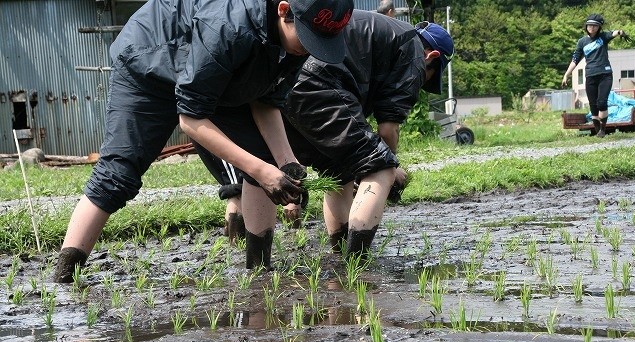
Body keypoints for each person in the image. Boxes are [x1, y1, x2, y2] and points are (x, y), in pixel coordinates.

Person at [52, 0, 354, 282]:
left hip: (212, 74)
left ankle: (260, 270)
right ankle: (65, 276)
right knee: (118, 175)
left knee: (266, 160)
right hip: (148, 64)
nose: (308, 49)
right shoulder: (229, 26)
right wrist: (262, 172)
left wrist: (286, 162)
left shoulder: (292, 45)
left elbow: (266, 99)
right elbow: (191, 120)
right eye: (307, 38)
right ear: (284, 10)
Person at [283, 11, 454, 257]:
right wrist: (390, 166)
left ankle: (341, 256)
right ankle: (357, 263)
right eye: (429, 74)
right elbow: (388, 129)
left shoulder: (386, 34)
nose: (422, 79)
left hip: (288, 86)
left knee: (338, 173)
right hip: (323, 86)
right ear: (432, 56)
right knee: (380, 166)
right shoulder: (414, 51)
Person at [562, 14, 629, 138]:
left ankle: (603, 130)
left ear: (599, 27)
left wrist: (620, 32)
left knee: (602, 102)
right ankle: (598, 131)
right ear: (586, 26)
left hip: (605, 74)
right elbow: (575, 60)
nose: (592, 27)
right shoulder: (582, 42)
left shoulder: (603, 37)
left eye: (595, 26)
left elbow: (613, 33)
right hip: (590, 76)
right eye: (590, 25)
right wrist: (566, 74)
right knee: (593, 105)